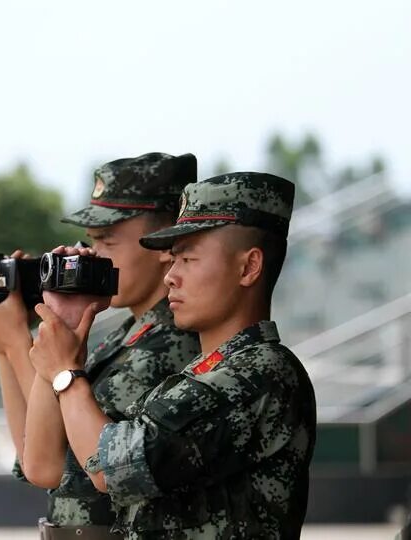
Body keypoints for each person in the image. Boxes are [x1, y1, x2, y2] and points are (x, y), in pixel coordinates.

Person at [29, 172, 317, 538]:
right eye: (173, 259)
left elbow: (111, 467)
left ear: (248, 267)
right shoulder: (207, 371)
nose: (171, 276)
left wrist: (66, 375)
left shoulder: (258, 372)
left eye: (188, 260)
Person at [0, 153, 201, 539]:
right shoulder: (125, 333)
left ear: (166, 242)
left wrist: (15, 343)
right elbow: (32, 450)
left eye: (108, 240)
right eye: (91, 240)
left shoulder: (171, 345)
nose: (93, 254)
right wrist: (7, 345)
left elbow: (52, 462)